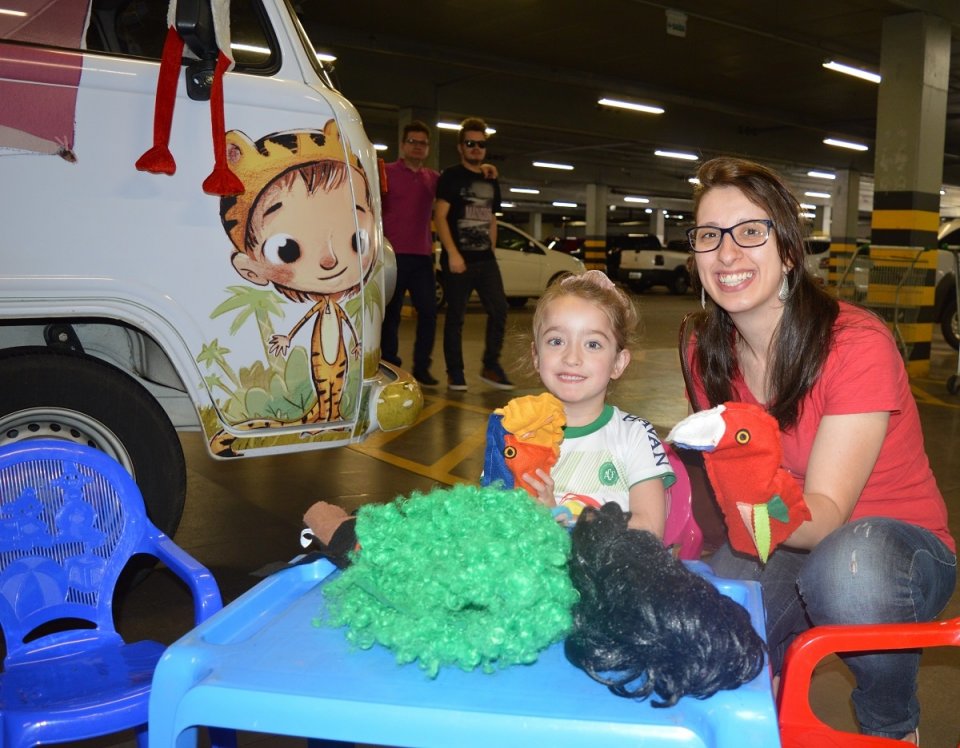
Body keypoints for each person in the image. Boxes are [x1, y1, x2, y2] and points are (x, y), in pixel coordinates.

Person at [681, 156, 956, 743]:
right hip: (786, 539)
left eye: (750, 231)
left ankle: (891, 725)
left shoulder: (855, 344)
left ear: (787, 250)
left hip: (894, 551)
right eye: (709, 236)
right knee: (713, 609)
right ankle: (760, 719)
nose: (727, 253)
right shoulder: (703, 346)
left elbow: (825, 515)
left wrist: (747, 493)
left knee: (848, 570)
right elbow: (718, 496)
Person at [516, 269, 674, 535]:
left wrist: (564, 517)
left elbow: (650, 529)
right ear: (536, 355)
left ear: (618, 362)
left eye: (592, 344)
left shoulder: (635, 435)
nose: (572, 357)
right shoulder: (517, 435)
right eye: (556, 341)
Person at [435, 117, 513, 391]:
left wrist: (491, 249)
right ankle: (455, 373)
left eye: (481, 144)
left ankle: (490, 365)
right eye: (470, 143)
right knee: (456, 317)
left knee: (500, 309)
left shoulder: (490, 178)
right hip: (459, 259)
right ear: (460, 147)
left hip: (484, 259)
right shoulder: (451, 177)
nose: (476, 148)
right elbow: (440, 217)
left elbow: (491, 217)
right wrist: (453, 254)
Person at [379, 121, 441, 386]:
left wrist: (486, 169)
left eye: (423, 143)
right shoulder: (387, 172)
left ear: (427, 148)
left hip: (422, 257)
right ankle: (391, 363)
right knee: (390, 316)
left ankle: (422, 367)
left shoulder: (434, 179)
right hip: (392, 256)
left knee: (428, 312)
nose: (418, 147)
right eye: (413, 142)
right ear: (403, 145)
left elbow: (459, 190)